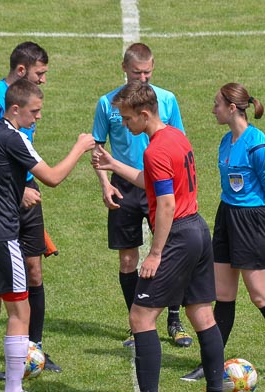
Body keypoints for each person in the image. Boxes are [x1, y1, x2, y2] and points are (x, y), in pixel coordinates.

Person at [92, 80, 227, 392]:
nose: (123, 124)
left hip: (178, 235)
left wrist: (155, 253)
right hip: (197, 229)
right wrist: (112, 164)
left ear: (144, 113)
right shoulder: (176, 137)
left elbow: (165, 204)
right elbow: (149, 180)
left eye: (126, 118)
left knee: (140, 316)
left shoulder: (155, 150)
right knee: (202, 314)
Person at [0, 79, 95, 392]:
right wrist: (79, 147)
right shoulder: (14, 137)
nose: (38, 118)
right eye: (34, 112)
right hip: (2, 238)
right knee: (20, 311)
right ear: (16, 109)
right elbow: (51, 177)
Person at [180, 83, 265, 383]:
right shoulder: (225, 141)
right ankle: (212, 363)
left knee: (260, 295)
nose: (213, 109)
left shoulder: (259, 146)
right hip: (227, 217)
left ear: (232, 108)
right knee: (223, 295)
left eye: (217, 104)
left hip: (253, 220)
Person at [0, 41, 62, 380]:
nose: (44, 80)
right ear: (21, 72)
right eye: (40, 73)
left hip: (24, 197)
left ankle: (33, 350)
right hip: (2, 208)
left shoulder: (26, 101)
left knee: (34, 271)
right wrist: (15, 191)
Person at [92, 43, 192, 348]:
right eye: (137, 72)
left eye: (148, 72)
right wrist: (105, 184)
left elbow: (178, 143)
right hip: (124, 187)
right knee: (127, 259)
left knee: (171, 253)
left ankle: (175, 320)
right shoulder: (107, 103)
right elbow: (98, 148)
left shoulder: (166, 99)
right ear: (124, 68)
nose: (143, 78)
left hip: (160, 186)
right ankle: (137, 323)